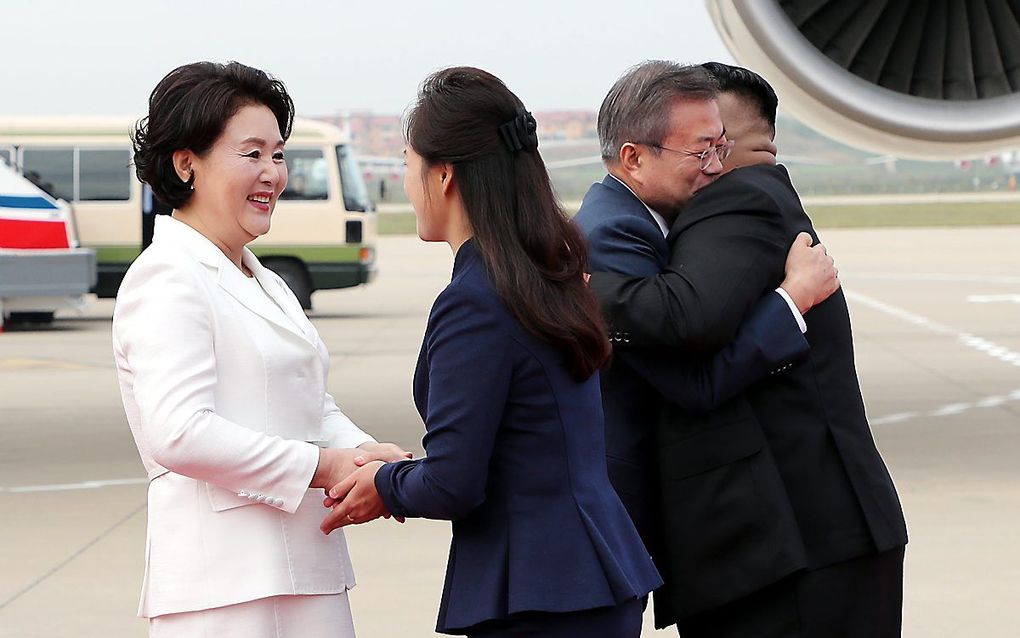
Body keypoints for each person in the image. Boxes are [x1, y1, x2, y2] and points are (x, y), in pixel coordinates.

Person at [316, 66, 665, 637]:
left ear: (444, 174)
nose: (406, 183)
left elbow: (455, 481)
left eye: (408, 165)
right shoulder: (544, 274)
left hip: (537, 591)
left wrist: (384, 483)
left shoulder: (476, 300)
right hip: (590, 573)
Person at [588, 62, 908, 637]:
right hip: (807, 544)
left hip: (792, 550)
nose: (712, 162)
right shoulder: (650, 219)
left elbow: (683, 320)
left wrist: (578, 286)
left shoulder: (736, 201)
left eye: (717, 141)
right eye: (699, 145)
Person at [113, 61, 409, 637]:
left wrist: (368, 454)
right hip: (223, 587)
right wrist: (324, 467)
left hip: (305, 572)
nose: (273, 172)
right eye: (252, 154)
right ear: (186, 163)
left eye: (278, 154)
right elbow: (177, 431)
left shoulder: (263, 279)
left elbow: (307, 401)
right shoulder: (168, 276)